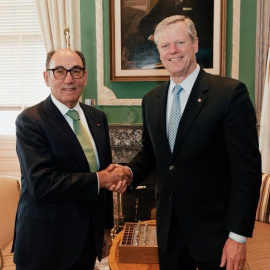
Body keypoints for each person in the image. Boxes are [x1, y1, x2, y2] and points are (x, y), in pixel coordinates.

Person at [124, 15, 261, 270]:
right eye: (165, 46)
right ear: (159, 52)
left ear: (195, 44)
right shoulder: (151, 100)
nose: (173, 51)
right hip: (169, 234)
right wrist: (128, 172)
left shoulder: (230, 94)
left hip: (216, 237)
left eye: (180, 42)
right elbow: (151, 154)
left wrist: (238, 237)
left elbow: (247, 172)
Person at [12, 48, 132, 270]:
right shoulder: (30, 121)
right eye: (59, 71)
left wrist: (105, 230)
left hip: (86, 240)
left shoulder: (97, 118)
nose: (69, 79)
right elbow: (42, 184)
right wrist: (100, 180)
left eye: (75, 71)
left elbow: (104, 176)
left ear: (85, 76)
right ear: (46, 77)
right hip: (45, 243)